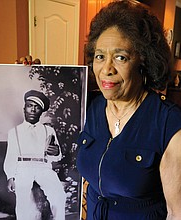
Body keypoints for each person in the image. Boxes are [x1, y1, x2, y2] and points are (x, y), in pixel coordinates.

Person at [76, 1, 181, 219]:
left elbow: (176, 212)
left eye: (120, 57)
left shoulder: (168, 125)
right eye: (100, 56)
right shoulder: (91, 106)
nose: (106, 69)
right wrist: (28, 70)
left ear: (143, 60)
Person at [4, 90, 66, 220]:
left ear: (41, 112)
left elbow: (56, 155)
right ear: (24, 108)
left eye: (37, 107)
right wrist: (10, 176)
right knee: (23, 198)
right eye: (29, 106)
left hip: (43, 167)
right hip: (22, 168)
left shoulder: (48, 130)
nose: (32, 110)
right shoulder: (14, 132)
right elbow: (11, 155)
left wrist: (55, 152)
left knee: (59, 195)